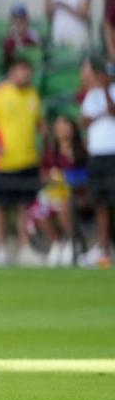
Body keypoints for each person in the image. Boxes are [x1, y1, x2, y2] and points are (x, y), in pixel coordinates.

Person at [0, 57, 44, 266]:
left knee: (25, 206)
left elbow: (38, 123)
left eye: (27, 70)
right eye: (21, 70)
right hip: (3, 162)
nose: (25, 74)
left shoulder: (33, 94)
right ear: (12, 71)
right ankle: (2, 248)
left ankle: (24, 247)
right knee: (1, 207)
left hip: (28, 159)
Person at [34, 114, 87, 267]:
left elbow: (87, 175)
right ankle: (58, 243)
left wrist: (69, 178)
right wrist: (52, 176)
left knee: (65, 207)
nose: (63, 130)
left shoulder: (81, 150)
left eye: (66, 125)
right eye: (60, 126)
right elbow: (43, 175)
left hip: (77, 194)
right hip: (55, 193)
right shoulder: (51, 153)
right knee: (39, 212)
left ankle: (72, 243)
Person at [80, 59, 115, 268]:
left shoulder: (109, 92)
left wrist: (106, 93)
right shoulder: (91, 94)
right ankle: (103, 247)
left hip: (113, 155)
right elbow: (84, 121)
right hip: (97, 156)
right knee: (100, 203)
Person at [2, 4, 41, 70]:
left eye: (21, 18)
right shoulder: (9, 37)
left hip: (32, 68)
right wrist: (16, 38)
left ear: (26, 19)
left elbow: (37, 53)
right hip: (15, 70)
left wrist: (24, 38)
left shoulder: (33, 34)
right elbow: (7, 60)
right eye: (16, 18)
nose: (19, 21)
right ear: (12, 20)